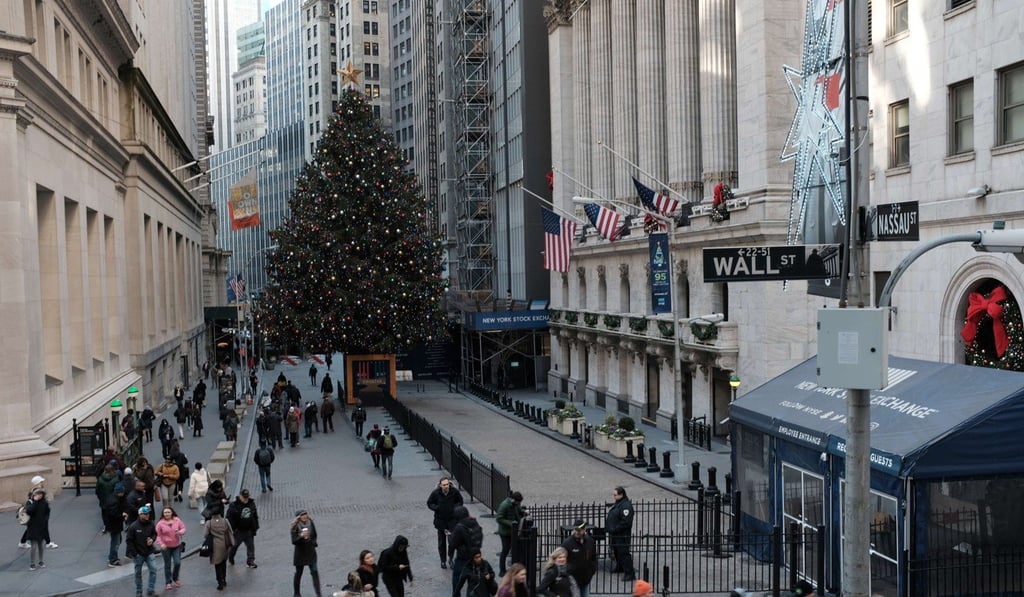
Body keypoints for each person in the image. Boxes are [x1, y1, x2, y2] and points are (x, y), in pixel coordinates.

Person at [428, 477, 465, 569]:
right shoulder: (435, 493)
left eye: (447, 484)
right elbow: (429, 503)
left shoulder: (454, 492)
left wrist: (455, 508)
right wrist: (437, 508)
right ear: (440, 485)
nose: (446, 486)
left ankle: (450, 559)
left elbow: (460, 501)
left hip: (451, 522)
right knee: (441, 542)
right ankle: (443, 560)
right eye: (444, 485)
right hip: (440, 522)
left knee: (452, 542)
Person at [125, 505, 159, 597]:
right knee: (138, 573)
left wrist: (152, 540)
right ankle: (139, 591)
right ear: (140, 515)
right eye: (145, 514)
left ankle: (151, 590)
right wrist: (135, 554)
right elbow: (129, 541)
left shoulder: (151, 523)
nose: (147, 515)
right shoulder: (133, 526)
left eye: (148, 513)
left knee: (154, 570)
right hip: (138, 554)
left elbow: (154, 534)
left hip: (149, 552)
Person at [448, 505, 483, 591]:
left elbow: (453, 543)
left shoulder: (459, 527)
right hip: (475, 554)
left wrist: (449, 536)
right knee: (472, 577)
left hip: (463, 556)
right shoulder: (474, 522)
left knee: (457, 576)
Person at [606, 486, 636, 582]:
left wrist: (615, 528)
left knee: (623, 553)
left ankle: (629, 573)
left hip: (622, 534)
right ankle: (620, 567)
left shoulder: (626, 505)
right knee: (617, 551)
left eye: (615, 495)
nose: (614, 497)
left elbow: (626, 522)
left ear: (621, 494)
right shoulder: (619, 504)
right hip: (615, 533)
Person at [561, 519, 597, 597]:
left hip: (585, 579)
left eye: (579, 530)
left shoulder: (590, 541)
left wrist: (592, 571)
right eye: (575, 529)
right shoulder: (567, 543)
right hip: (571, 579)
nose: (577, 532)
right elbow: (561, 559)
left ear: (584, 530)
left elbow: (593, 557)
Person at [291, 509, 322, 597]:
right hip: (300, 554)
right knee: (298, 573)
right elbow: (293, 541)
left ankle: (318, 593)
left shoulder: (310, 523)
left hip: (310, 552)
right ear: (298, 517)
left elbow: (315, 535)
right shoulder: (295, 527)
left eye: (305, 514)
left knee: (315, 572)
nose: (304, 516)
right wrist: (301, 537)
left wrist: (313, 542)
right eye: (302, 515)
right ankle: (296, 593)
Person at [495, 491, 526, 576]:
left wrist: (523, 511)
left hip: (513, 531)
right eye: (517, 502)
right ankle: (502, 570)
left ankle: (516, 567)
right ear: (513, 500)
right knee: (505, 550)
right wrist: (511, 523)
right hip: (505, 533)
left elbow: (519, 510)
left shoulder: (515, 504)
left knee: (516, 549)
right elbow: (499, 518)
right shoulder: (504, 505)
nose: (518, 504)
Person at [227, 489, 260, 568]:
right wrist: (232, 529)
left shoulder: (251, 504)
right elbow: (229, 518)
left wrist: (255, 527)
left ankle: (250, 561)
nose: (245, 499)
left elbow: (255, 516)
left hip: (249, 530)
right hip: (238, 531)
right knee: (234, 546)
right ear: (240, 496)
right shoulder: (234, 505)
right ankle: (231, 557)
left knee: (250, 546)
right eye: (244, 497)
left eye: (247, 497)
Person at [204, 503, 234, 591]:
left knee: (217, 564)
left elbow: (205, 534)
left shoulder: (209, 523)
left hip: (214, 546)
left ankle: (219, 581)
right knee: (223, 562)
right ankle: (224, 579)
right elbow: (230, 531)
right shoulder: (225, 521)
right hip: (224, 544)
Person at [155, 506, 186, 590]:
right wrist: (161, 544)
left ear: (172, 512)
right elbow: (157, 535)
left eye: (168, 512)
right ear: (163, 514)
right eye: (165, 512)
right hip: (166, 547)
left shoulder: (177, 520)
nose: (167, 514)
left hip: (176, 546)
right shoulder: (160, 523)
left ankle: (175, 577)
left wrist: (180, 532)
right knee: (167, 565)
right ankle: (168, 582)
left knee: (177, 563)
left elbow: (183, 528)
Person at [23, 487, 51, 570]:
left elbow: (47, 512)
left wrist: (45, 520)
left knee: (40, 545)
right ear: (34, 494)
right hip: (33, 527)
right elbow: (29, 511)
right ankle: (32, 563)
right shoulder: (30, 502)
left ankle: (41, 561)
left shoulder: (44, 503)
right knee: (33, 546)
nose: (39, 495)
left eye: (41, 494)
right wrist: (35, 501)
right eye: (38, 493)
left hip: (41, 526)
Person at [101, 481, 128, 566]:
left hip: (113, 525)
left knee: (117, 541)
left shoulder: (112, 498)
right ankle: (113, 559)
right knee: (116, 542)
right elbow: (114, 514)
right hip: (114, 525)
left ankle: (112, 557)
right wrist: (123, 515)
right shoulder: (114, 501)